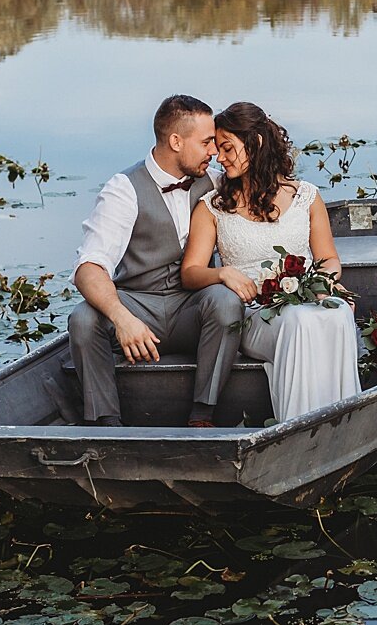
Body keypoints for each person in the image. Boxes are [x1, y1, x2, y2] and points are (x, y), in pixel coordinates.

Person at [69, 95, 245, 427]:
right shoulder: (123, 190)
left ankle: (202, 414)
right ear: (176, 141)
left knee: (226, 303)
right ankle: (106, 423)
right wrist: (122, 319)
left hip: (192, 307)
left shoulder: (215, 183)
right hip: (138, 304)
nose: (214, 152)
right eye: (207, 142)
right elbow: (88, 268)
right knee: (82, 320)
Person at [181, 102, 362, 424]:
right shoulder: (212, 207)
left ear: (257, 144)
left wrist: (325, 284)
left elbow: (328, 258)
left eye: (227, 148)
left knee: (336, 313)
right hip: (253, 314)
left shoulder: (306, 196)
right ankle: (299, 427)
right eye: (218, 150)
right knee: (300, 322)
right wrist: (222, 272)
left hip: (304, 298)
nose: (219, 159)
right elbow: (191, 273)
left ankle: (341, 424)